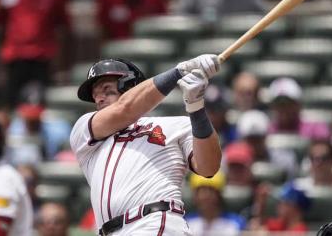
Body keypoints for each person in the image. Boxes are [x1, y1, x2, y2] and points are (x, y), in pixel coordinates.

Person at [70, 55, 222, 235]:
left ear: (131, 87)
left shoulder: (176, 125)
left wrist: (196, 107)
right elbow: (125, 110)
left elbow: (208, 167)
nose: (99, 99)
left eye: (107, 90)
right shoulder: (84, 131)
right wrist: (178, 72)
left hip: (154, 221)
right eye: (95, 95)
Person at [0, 0, 73, 109]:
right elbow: (0, 27)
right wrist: (0, 59)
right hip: (14, 57)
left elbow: (64, 29)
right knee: (9, 104)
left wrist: (62, 64)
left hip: (43, 58)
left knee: (41, 106)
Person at [237, 110, 297, 178]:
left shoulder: (284, 160)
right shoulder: (232, 161)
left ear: (265, 137)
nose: (254, 144)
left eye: (258, 139)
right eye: (250, 140)